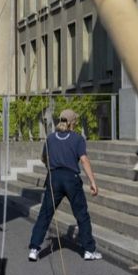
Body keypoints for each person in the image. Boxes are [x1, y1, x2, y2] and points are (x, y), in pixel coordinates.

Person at [28, 108, 101, 262]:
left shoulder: (51, 138)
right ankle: (89, 250)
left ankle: (34, 249)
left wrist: (51, 165)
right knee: (81, 214)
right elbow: (84, 160)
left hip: (54, 177)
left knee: (45, 214)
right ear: (73, 122)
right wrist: (92, 182)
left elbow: (44, 158)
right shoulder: (77, 139)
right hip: (71, 178)